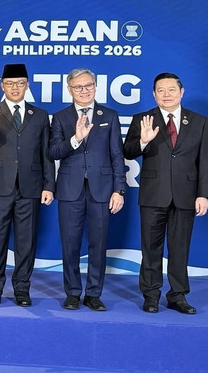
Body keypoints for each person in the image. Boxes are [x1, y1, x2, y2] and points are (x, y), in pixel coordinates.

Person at [124, 72, 208, 314]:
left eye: (172, 89)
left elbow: (204, 161)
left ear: (182, 92)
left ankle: (178, 296)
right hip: (153, 194)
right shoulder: (143, 119)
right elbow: (127, 151)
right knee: (151, 248)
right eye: (161, 90)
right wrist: (143, 141)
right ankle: (151, 295)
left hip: (186, 195)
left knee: (180, 248)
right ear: (154, 94)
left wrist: (203, 194)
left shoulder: (200, 122)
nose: (166, 94)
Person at [0, 63, 55, 306]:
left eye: (20, 83)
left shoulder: (40, 115)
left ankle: (22, 289)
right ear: (2, 86)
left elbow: (46, 154)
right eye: (10, 84)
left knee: (26, 242)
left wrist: (49, 185)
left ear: (27, 85)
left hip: (31, 187)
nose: (15, 88)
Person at [49, 68, 126, 311]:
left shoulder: (110, 115)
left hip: (102, 190)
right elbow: (54, 152)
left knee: (98, 244)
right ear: (69, 89)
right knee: (70, 244)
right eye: (78, 87)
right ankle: (72, 292)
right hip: (69, 189)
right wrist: (75, 138)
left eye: (88, 85)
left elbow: (117, 155)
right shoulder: (60, 117)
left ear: (95, 86)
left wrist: (119, 190)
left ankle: (93, 294)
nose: (84, 90)